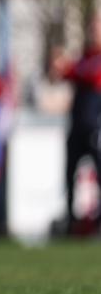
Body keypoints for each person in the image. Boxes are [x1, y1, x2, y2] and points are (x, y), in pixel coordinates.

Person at [52, 15, 101, 234]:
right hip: (78, 126)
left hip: (95, 127)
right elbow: (64, 74)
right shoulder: (84, 57)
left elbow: (92, 76)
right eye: (92, 28)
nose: (93, 33)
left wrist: (68, 68)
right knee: (69, 173)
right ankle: (71, 220)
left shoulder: (91, 62)